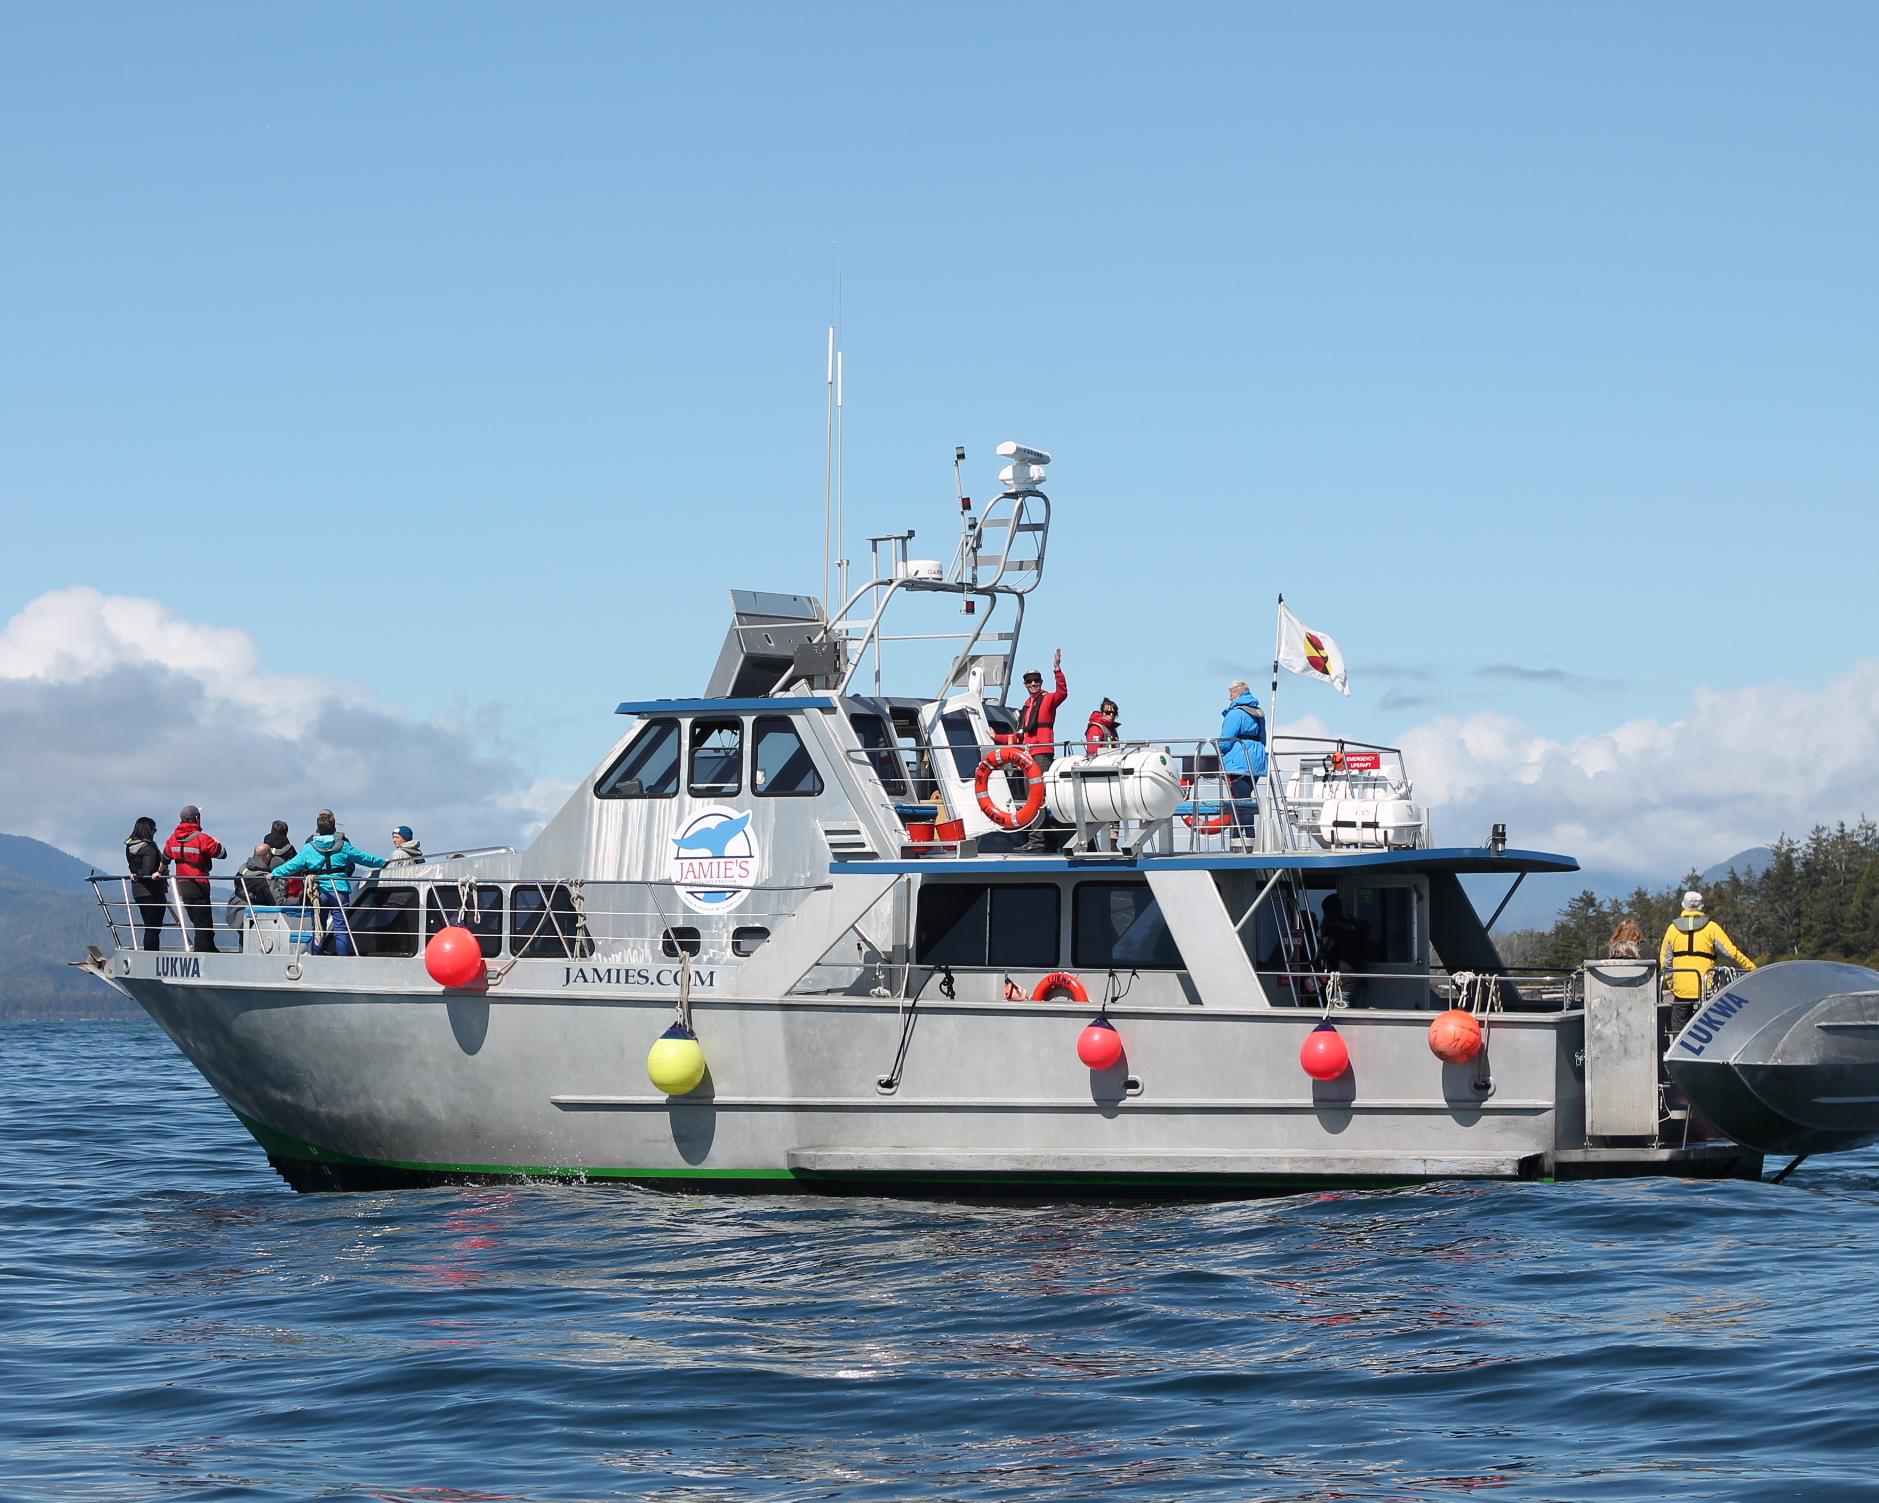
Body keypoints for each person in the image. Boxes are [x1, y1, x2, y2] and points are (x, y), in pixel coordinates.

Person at [269, 811, 389, 957]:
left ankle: (316, 958)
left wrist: (273, 873)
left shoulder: (309, 848)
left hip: (318, 892)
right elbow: (363, 858)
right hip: (339, 890)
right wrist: (382, 862)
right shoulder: (343, 846)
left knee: (318, 929)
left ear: (318, 829)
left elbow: (292, 865)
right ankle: (342, 961)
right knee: (341, 929)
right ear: (334, 828)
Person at [1659, 891, 1757, 1032]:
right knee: (1707, 1027)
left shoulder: (1672, 929)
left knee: (1678, 1026)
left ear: (1683, 906)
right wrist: (1753, 969)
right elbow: (1732, 952)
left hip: (1681, 989)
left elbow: (1665, 962)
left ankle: (1677, 1047)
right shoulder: (1711, 927)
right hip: (1706, 987)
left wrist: (1672, 984)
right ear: (1702, 906)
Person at [163, 804, 229, 952]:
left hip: (182, 885)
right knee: (203, 923)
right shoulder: (203, 839)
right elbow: (222, 854)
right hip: (199, 884)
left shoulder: (172, 839)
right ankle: (203, 954)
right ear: (197, 819)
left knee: (196, 919)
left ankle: (210, 948)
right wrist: (217, 842)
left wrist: (159, 872)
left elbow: (165, 857)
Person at [1218, 681, 1268, 825]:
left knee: (1241, 801)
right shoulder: (1258, 713)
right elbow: (1263, 738)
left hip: (1239, 762)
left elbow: (1225, 741)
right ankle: (1240, 835)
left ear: (1238, 695)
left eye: (1231, 694)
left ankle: (1247, 836)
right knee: (1244, 797)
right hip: (1256, 761)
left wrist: (1221, 751)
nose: (1229, 698)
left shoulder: (1235, 714)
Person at [124, 816, 168, 952]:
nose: (155, 832)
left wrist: (136, 875)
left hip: (138, 891)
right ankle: (152, 954)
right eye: (154, 829)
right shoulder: (148, 848)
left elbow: (134, 867)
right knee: (153, 927)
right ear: (148, 830)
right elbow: (147, 869)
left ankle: (150, 952)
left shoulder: (130, 846)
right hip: (152, 891)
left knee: (149, 925)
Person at [226, 843, 287, 928]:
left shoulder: (243, 868)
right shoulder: (265, 879)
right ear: (267, 855)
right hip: (252, 917)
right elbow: (278, 903)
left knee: (243, 940)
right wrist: (301, 901)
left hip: (235, 911)